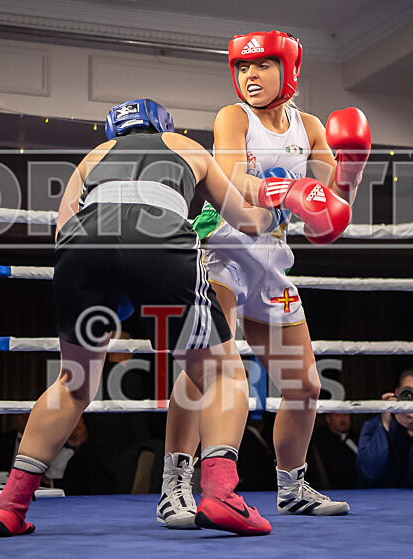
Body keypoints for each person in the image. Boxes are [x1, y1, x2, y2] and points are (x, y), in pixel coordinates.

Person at [0, 98, 290, 537]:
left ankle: (9, 506)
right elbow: (246, 221)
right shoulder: (185, 146)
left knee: (73, 383)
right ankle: (221, 494)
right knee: (223, 375)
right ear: (162, 126)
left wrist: (115, 289)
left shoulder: (93, 156)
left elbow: (61, 231)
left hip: (81, 249)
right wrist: (279, 207)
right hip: (158, 240)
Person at [159, 30, 371, 527]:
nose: (250, 76)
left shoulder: (310, 127)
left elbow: (328, 220)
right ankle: (175, 485)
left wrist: (351, 170)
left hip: (272, 259)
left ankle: (292, 487)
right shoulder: (233, 117)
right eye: (242, 67)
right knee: (204, 372)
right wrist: (290, 191)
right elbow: (231, 179)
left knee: (306, 385)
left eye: (261, 66)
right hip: (223, 249)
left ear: (289, 69)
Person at [307, 413, 358, 490]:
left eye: (346, 415)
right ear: (328, 419)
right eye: (337, 415)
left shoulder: (358, 437)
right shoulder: (319, 440)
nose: (343, 419)